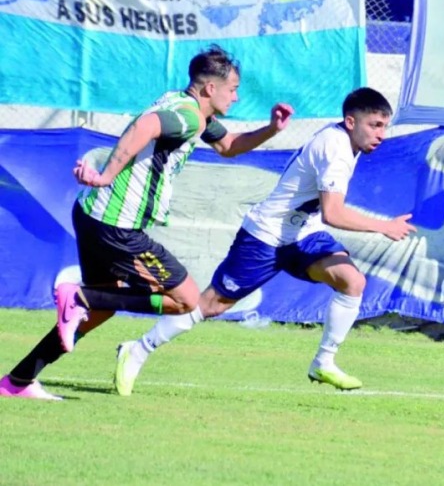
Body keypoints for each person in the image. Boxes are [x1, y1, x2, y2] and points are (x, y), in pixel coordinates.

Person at [0, 45, 293, 400]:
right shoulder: (189, 117)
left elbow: (229, 145)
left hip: (94, 215)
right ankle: (77, 296)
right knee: (185, 299)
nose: (237, 95)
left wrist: (272, 129)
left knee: (102, 307)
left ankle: (18, 381)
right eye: (232, 88)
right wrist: (108, 174)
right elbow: (147, 125)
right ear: (209, 88)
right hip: (117, 225)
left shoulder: (185, 106)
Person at [113, 87, 416, 396]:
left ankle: (323, 363)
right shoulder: (336, 148)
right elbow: (333, 213)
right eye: (374, 125)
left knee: (352, 281)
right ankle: (137, 349)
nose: (381, 134)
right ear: (351, 122)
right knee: (210, 305)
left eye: (385, 126)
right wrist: (383, 226)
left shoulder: (346, 143)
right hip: (264, 237)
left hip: (302, 235)